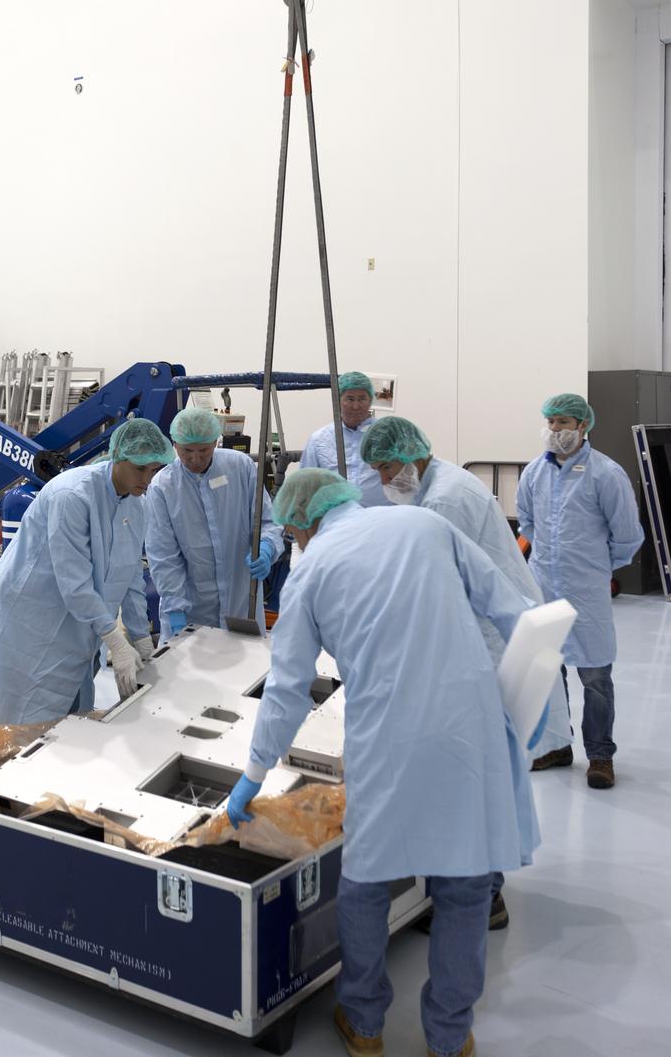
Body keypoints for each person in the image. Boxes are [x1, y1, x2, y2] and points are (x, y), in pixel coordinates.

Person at [227, 469, 540, 1057]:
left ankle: (365, 1024)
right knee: (466, 885)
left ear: (299, 523)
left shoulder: (310, 570)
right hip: (468, 725)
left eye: (292, 531)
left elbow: (289, 687)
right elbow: (511, 607)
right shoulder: (426, 525)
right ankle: (451, 1037)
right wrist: (533, 693)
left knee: (367, 883)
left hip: (388, 735)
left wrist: (254, 774)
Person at [360, 414, 571, 933]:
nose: (385, 479)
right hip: (490, 636)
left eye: (387, 466)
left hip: (490, 645)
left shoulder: (444, 502)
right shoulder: (437, 483)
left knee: (479, 776)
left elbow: (438, 588)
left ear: (410, 453)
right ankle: (473, 886)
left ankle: (484, 898)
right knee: (482, 773)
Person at [0, 418, 174, 725]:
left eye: (153, 469)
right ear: (118, 456)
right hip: (30, 618)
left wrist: (140, 637)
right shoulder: (72, 495)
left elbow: (130, 578)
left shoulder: (137, 504)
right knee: (10, 721)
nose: (147, 478)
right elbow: (74, 582)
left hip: (80, 623)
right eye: (140, 468)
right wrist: (114, 639)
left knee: (67, 720)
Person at [517, 393, 643, 789]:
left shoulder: (606, 473)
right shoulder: (535, 472)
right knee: (548, 673)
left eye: (565, 423)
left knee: (595, 676)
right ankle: (557, 746)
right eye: (552, 422)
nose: (556, 430)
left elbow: (627, 535)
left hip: (586, 591)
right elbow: (527, 522)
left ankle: (600, 755)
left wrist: (595, 567)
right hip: (544, 586)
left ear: (583, 426)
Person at [144, 406, 284, 639]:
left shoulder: (241, 467)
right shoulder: (163, 486)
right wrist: (176, 609)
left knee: (243, 670)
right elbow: (164, 556)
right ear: (174, 444)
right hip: (192, 609)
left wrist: (267, 547)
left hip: (241, 603)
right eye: (187, 450)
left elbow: (268, 521)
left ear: (216, 443)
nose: (195, 459)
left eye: (204, 451)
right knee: (189, 672)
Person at [299, 371, 386, 507]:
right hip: (334, 521)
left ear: (370, 401)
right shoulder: (319, 440)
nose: (356, 406)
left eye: (362, 398)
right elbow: (304, 486)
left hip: (379, 520)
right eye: (350, 399)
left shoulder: (385, 434)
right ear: (338, 401)